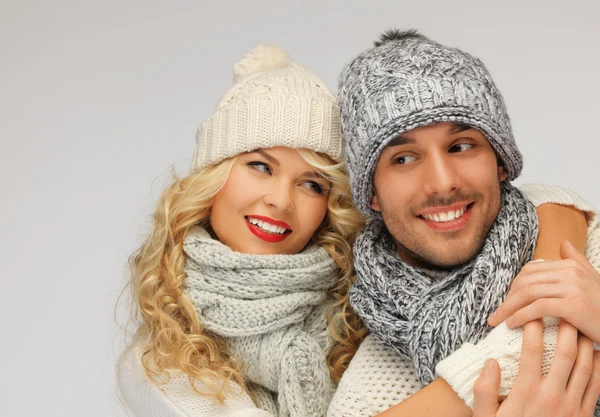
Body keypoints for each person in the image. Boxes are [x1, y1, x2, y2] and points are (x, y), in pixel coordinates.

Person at [327, 29, 600, 417]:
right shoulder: (366, 393)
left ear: (499, 160)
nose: (442, 182)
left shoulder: (585, 252)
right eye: (403, 158)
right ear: (372, 193)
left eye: (460, 146)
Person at [117, 44, 366, 417]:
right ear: (214, 176)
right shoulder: (159, 360)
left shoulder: (362, 315)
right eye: (261, 167)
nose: (281, 201)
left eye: (312, 184)